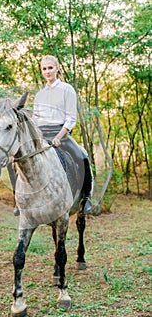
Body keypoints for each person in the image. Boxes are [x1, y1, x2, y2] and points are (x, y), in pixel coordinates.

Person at [32, 54, 93, 215]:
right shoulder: (39, 95)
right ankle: (21, 200)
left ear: (57, 69)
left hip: (61, 133)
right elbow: (35, 120)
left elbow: (71, 118)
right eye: (44, 69)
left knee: (82, 156)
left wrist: (59, 137)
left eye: (50, 68)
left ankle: (85, 199)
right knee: (19, 160)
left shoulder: (67, 89)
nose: (47, 72)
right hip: (42, 135)